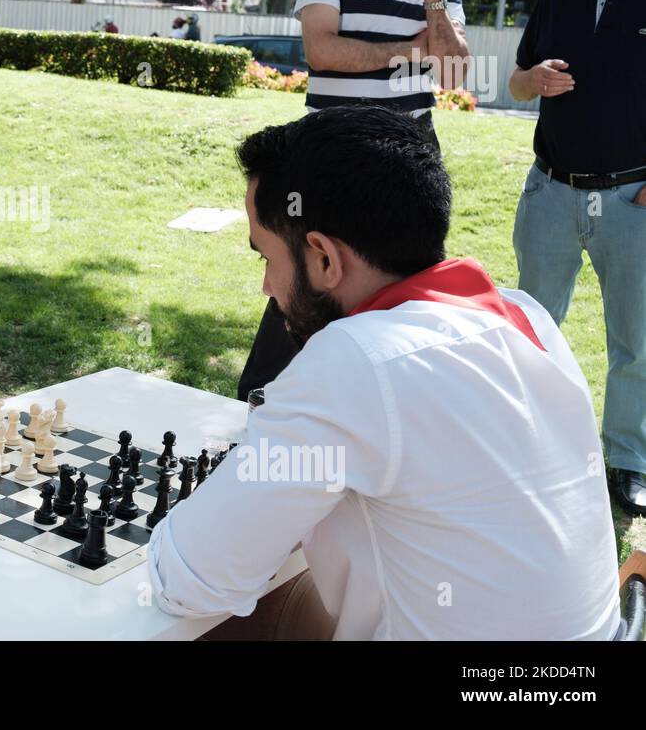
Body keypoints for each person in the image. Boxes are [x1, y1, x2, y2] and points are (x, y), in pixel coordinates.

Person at [148, 105, 622, 640]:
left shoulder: (356, 360)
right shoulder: (526, 316)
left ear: (324, 258)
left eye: (265, 257)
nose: (266, 288)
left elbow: (188, 580)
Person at [238, 0, 471, 403]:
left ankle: (376, 398)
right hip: (327, 153)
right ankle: (263, 396)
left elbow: (456, 70)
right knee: (303, 268)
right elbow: (323, 53)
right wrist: (414, 49)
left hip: (407, 153)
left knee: (401, 277)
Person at [508, 0, 646, 516]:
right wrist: (532, 79)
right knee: (532, 330)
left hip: (631, 202)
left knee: (636, 343)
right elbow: (511, 84)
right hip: (551, 196)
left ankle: (628, 461)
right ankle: (531, 447)